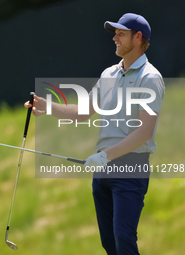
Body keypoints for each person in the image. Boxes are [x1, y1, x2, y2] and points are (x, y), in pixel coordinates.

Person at [25, 13, 164, 255]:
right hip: (104, 169)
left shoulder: (150, 78)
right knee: (109, 243)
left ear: (138, 37)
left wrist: (106, 155)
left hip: (131, 167)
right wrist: (49, 107)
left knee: (124, 238)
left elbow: (145, 132)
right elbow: (83, 112)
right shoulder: (108, 74)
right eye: (115, 33)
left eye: (121, 33)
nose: (114, 38)